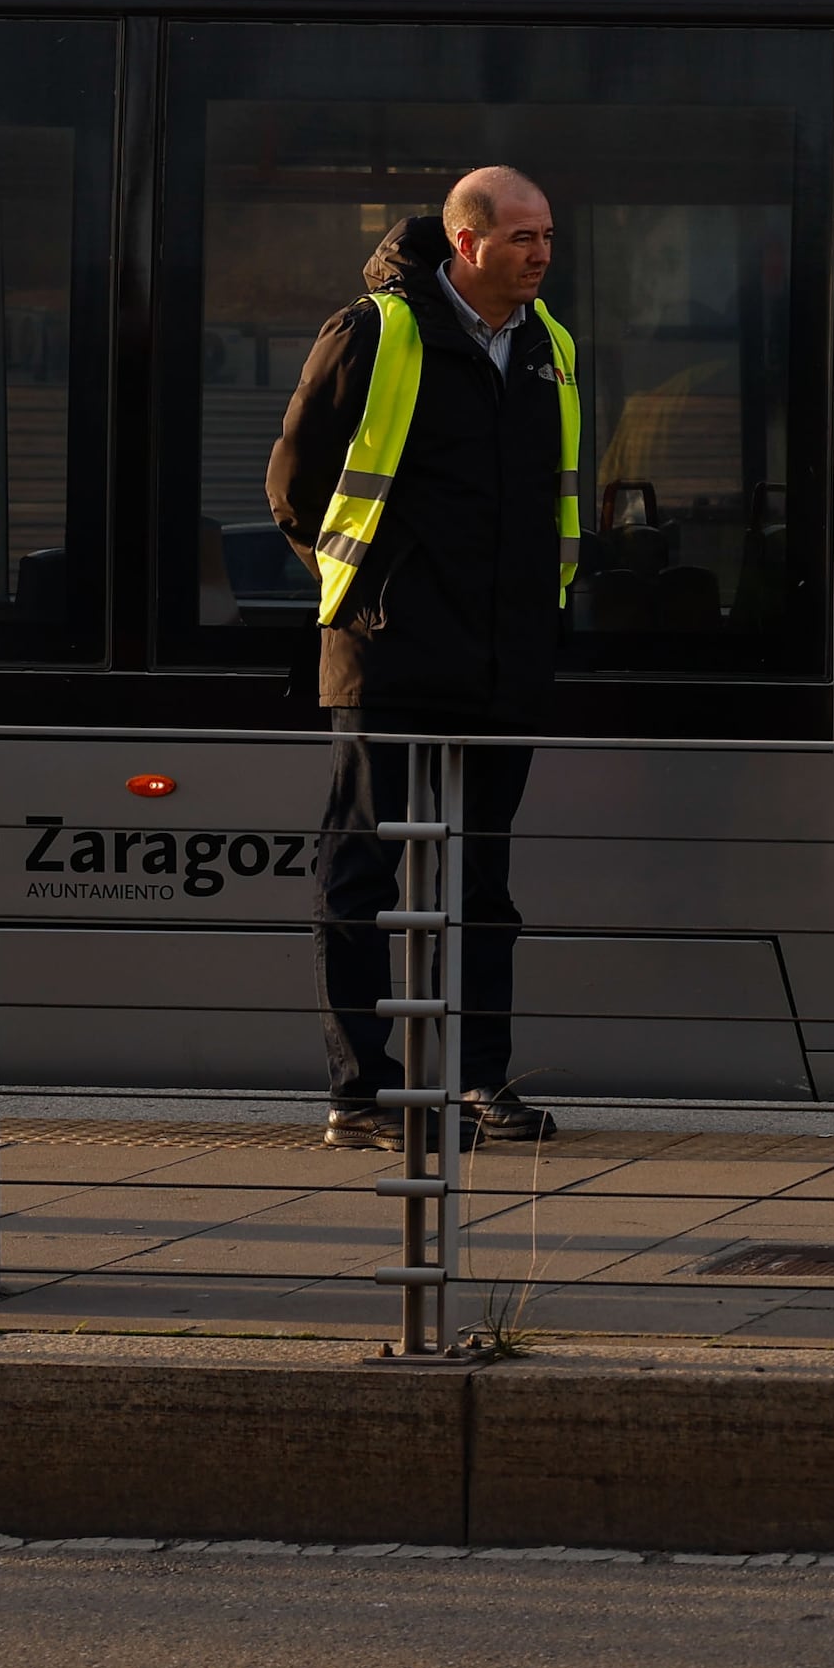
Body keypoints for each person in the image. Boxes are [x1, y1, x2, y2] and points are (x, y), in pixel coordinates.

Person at [266, 165, 581, 1151]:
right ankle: (360, 1093)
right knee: (360, 872)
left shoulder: (551, 346)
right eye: (523, 237)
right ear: (467, 242)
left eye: (546, 237)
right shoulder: (374, 331)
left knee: (482, 886)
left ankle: (483, 1083)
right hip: (388, 650)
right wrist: (373, 590)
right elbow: (295, 483)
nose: (541, 254)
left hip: (507, 654)